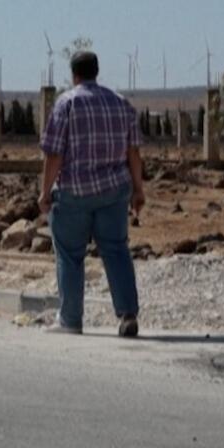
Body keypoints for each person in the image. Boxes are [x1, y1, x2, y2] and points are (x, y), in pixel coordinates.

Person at [37, 50, 145, 337]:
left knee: (70, 254)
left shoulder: (67, 103)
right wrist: (138, 189)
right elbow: (133, 152)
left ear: (74, 75)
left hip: (75, 192)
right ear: (97, 71)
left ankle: (71, 319)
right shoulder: (121, 103)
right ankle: (128, 314)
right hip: (114, 191)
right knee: (116, 250)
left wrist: (45, 192)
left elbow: (54, 154)